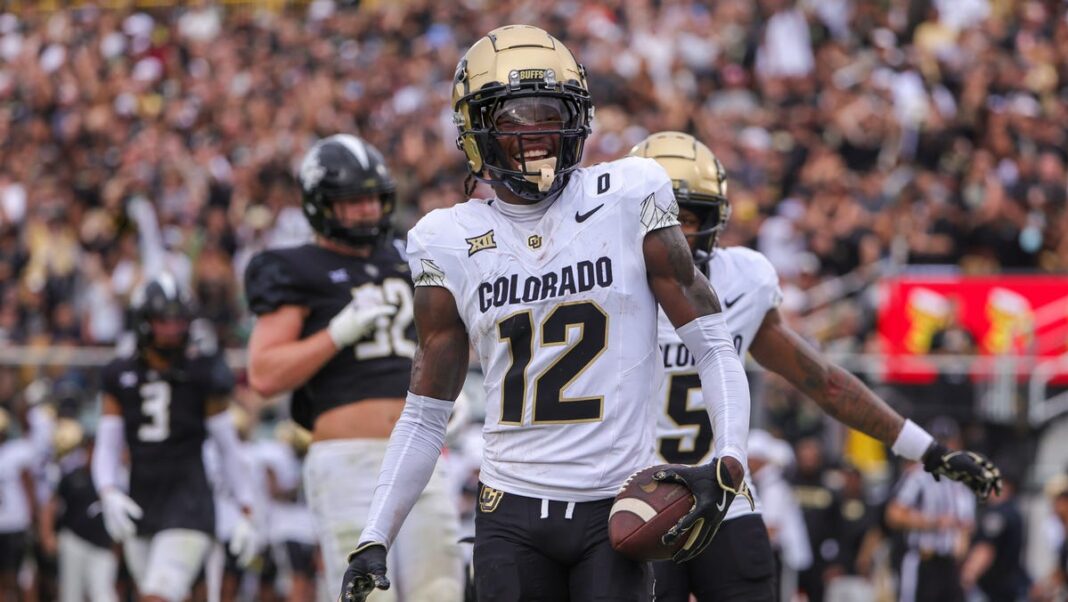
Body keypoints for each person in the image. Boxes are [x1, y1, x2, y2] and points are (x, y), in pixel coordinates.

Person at [342, 25, 757, 602]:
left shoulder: (629, 195)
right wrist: (374, 534)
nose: (537, 134)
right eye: (515, 120)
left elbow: (714, 343)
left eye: (550, 114)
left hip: (614, 505)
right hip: (508, 513)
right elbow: (425, 412)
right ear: (478, 132)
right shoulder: (448, 238)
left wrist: (729, 460)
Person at [627, 131, 1003, 602]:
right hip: (633, 494)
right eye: (663, 217)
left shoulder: (742, 281)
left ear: (713, 219)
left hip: (723, 494)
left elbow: (826, 383)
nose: (675, 235)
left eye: (687, 218)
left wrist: (927, 449)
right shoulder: (605, 287)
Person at [244, 133, 463, 602]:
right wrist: (335, 335)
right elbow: (264, 373)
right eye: (353, 201)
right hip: (348, 458)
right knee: (367, 596)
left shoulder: (409, 257)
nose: (368, 210)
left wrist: (451, 397)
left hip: (419, 455)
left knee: (441, 591)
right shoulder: (294, 267)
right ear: (321, 204)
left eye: (374, 199)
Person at [92, 274, 259, 602]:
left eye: (178, 320)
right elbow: (108, 444)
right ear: (143, 322)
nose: (172, 329)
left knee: (158, 594)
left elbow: (227, 446)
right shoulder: (119, 374)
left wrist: (247, 508)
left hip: (188, 499)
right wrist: (108, 490)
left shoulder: (203, 371)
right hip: (142, 497)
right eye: (162, 320)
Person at [886, 417, 976, 602]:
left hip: (950, 564)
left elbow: (966, 526)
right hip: (922, 561)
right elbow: (894, 514)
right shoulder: (918, 476)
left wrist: (963, 554)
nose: (946, 448)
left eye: (949, 442)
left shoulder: (961, 482)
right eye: (941, 443)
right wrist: (932, 522)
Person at [960, 472, 1028, 600]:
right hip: (1008, 583)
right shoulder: (1014, 511)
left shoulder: (998, 514)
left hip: (994, 588)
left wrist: (969, 574)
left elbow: (986, 548)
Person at [0, 407, 35, 602]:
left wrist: (32, 516)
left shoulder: (16, 451)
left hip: (15, 523)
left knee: (18, 577)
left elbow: (28, 485)